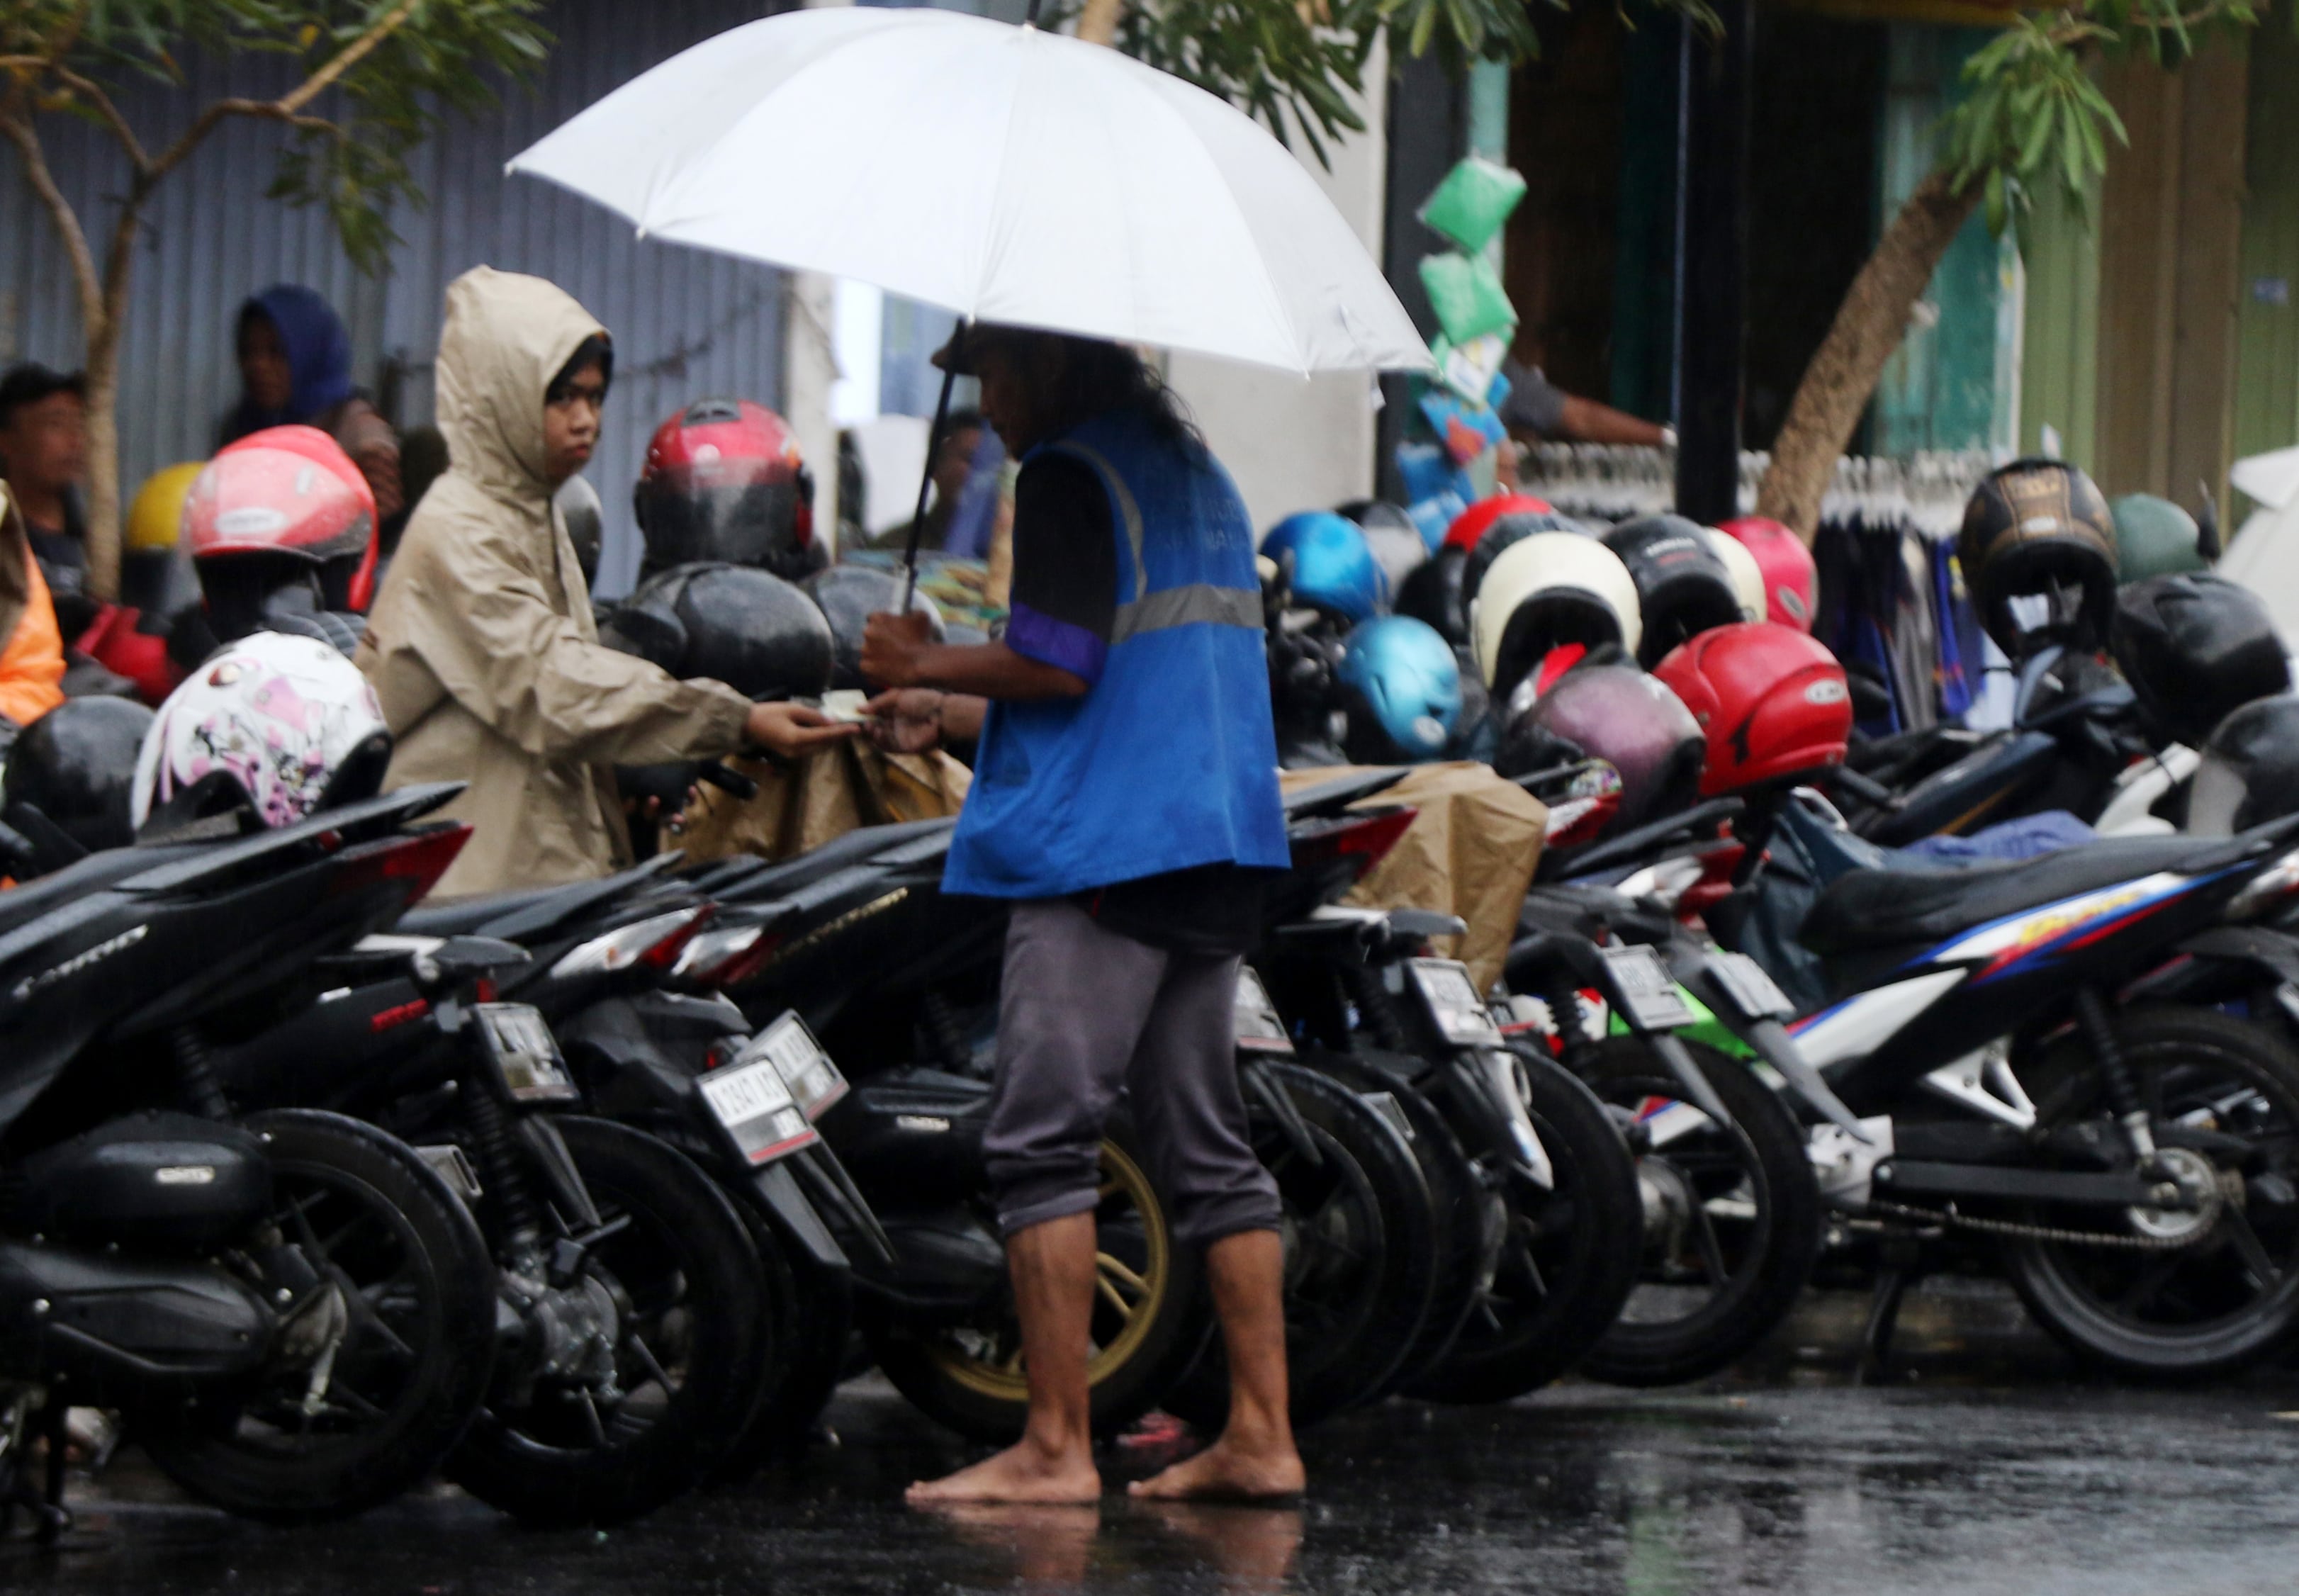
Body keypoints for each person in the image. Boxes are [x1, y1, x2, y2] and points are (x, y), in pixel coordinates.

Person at [860, 323, 1303, 1506]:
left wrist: (925, 654)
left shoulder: (1063, 469)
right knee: (1204, 1144)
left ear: (1051, 365)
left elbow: (1058, 661)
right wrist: (936, 709)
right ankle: (1261, 1434)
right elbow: (1131, 665)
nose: (986, 402)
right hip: (1211, 842)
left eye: (997, 373)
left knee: (1038, 1138)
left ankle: (1054, 1448)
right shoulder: (1191, 468)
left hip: (1105, 851)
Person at [356, 266, 855, 898]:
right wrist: (735, 720)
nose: (585, 419)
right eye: (561, 397)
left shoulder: (531, 510)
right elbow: (553, 686)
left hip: (527, 868)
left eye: (594, 398)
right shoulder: (461, 527)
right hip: (464, 883)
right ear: (499, 394)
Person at [222, 284, 406, 528]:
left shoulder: (360, 433)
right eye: (248, 352)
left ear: (310, 352)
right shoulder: (242, 426)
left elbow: (381, 528)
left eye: (276, 352)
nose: (258, 366)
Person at [0, 364, 92, 631]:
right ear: (6, 441)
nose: (75, 440)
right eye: (56, 424)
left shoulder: (92, 540)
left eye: (80, 425)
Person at [869, 408, 989, 554]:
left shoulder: (1009, 548)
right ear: (934, 466)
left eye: (989, 463)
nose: (982, 473)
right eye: (970, 460)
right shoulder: (895, 548)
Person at [1497, 355, 1668, 448]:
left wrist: (1667, 438)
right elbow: (1582, 418)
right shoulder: (1491, 370)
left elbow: (1583, 418)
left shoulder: (1494, 371)